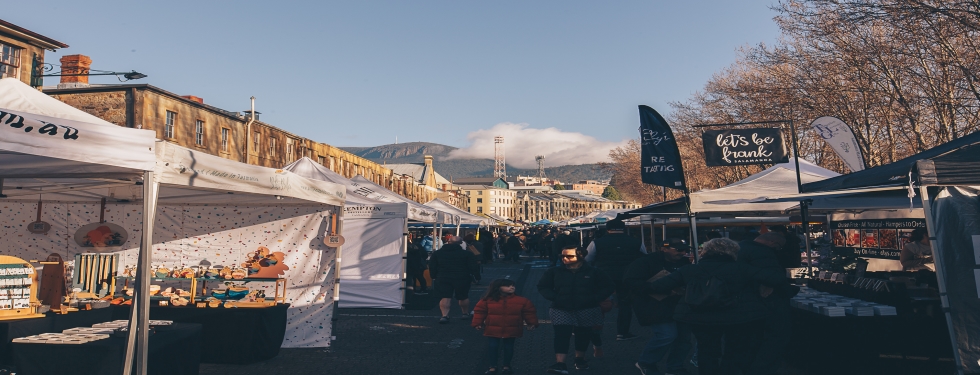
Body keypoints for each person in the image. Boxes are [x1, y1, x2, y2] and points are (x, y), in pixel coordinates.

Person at [648, 238, 799, 375]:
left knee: (707, 351)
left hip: (699, 316)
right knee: (733, 351)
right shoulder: (742, 268)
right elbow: (776, 279)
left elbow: (658, 286)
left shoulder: (690, 270)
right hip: (736, 316)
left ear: (705, 252)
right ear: (733, 253)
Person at [537, 244, 616, 374]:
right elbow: (542, 286)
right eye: (562, 256)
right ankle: (560, 363)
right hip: (561, 308)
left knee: (583, 334)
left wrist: (594, 298)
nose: (564, 258)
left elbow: (608, 286)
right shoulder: (554, 271)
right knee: (561, 334)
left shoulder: (594, 272)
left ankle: (580, 358)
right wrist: (556, 297)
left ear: (580, 256)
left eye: (569, 256)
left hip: (587, 307)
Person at [625, 238, 693, 375]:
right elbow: (631, 282)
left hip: (680, 305)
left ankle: (675, 367)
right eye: (679, 250)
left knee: (684, 338)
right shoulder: (645, 262)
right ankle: (646, 362)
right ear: (664, 249)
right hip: (654, 305)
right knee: (666, 335)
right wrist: (660, 289)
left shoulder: (685, 263)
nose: (684, 252)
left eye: (686, 250)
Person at [738, 232, 792, 375]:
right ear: (773, 243)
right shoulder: (763, 252)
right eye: (779, 247)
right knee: (773, 339)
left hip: (743, 302)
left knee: (749, 340)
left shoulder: (740, 247)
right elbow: (774, 278)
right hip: (764, 303)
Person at [587, 220, 646, 341]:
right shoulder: (635, 242)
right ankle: (622, 332)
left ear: (607, 229)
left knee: (597, 303)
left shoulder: (597, 242)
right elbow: (644, 258)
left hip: (604, 277)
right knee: (625, 305)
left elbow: (587, 258)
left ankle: (591, 329)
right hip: (626, 277)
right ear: (623, 228)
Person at [472, 279, 539, 375]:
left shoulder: (521, 301)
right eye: (508, 286)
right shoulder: (487, 301)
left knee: (508, 347)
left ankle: (504, 366)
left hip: (509, 328)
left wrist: (531, 323)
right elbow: (479, 312)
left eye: (512, 285)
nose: (512, 287)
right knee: (494, 347)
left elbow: (529, 313)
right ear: (498, 288)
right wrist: (478, 323)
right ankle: (495, 366)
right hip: (496, 328)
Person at [429, 235, 481, 324]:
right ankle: (465, 313)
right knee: (463, 296)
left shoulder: (437, 253)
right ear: (461, 243)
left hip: (443, 277)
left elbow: (432, 266)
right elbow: (473, 267)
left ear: (448, 242)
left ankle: (444, 315)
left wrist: (433, 276)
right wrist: (477, 276)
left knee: (445, 296)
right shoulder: (467, 254)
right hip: (462, 277)